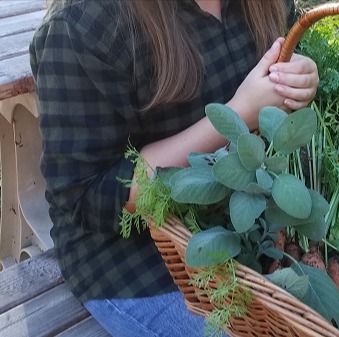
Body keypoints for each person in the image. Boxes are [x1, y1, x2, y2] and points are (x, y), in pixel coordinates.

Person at [29, 0, 319, 336]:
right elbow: (87, 195)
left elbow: (279, 70)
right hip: (132, 255)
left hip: (241, 217)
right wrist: (236, 114)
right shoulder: (85, 24)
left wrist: (299, 76)